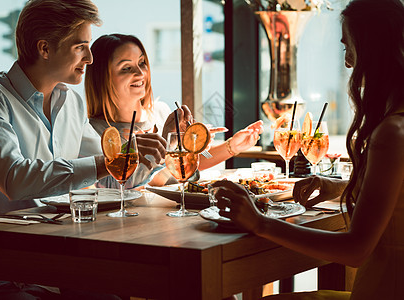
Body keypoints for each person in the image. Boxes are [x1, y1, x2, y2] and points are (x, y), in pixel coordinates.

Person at [212, 0, 404, 299]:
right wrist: (340, 187)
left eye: (348, 48)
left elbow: (355, 250)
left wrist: (259, 222)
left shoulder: (391, 133)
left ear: (372, 51)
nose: (348, 63)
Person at [0, 0, 123, 299]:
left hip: (60, 259)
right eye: (80, 46)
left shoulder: (71, 102)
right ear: (44, 48)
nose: (91, 58)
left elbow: (113, 171)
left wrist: (159, 149)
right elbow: (16, 180)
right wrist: (107, 163)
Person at [84, 33, 264, 188]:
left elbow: (183, 168)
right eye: (126, 68)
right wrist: (166, 142)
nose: (141, 73)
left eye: (142, 63)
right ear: (102, 77)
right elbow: (120, 186)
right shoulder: (94, 132)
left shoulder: (161, 112)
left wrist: (231, 146)